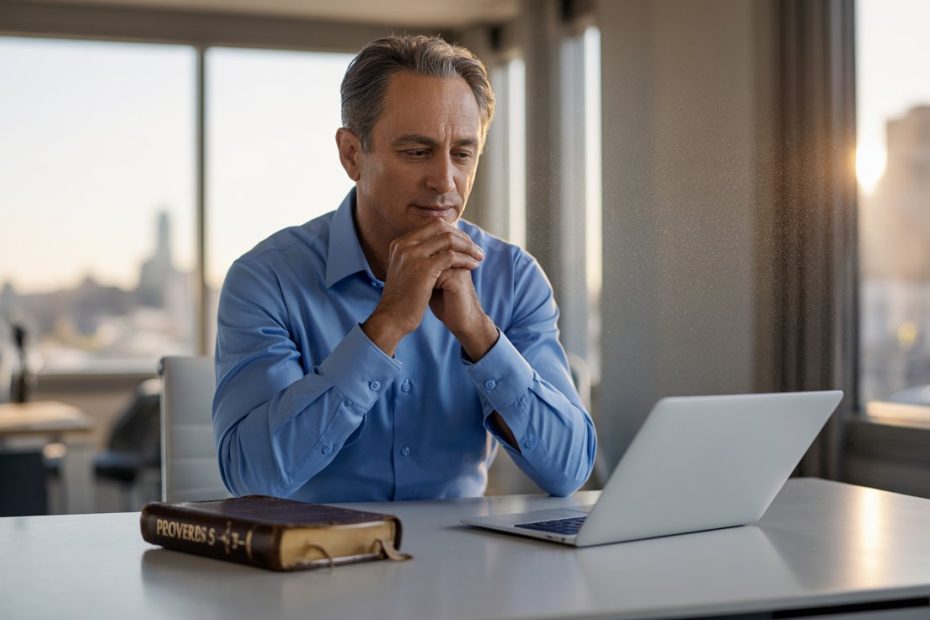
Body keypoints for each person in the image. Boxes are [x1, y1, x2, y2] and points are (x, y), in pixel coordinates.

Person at [213, 35, 596, 502]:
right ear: (352, 154)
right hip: (308, 563)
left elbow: (569, 470)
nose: (444, 181)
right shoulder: (266, 280)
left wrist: (479, 334)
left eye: (462, 153)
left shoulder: (513, 278)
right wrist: (386, 325)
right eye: (417, 152)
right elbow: (251, 477)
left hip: (462, 565)